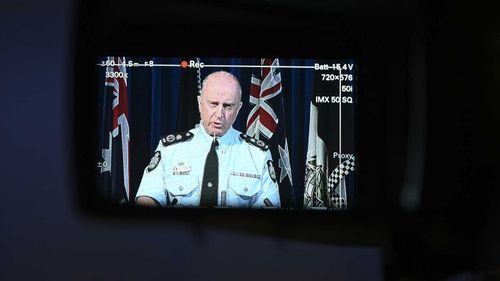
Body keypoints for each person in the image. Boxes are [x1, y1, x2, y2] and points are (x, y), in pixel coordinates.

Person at [135, 71, 280, 208]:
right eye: (213, 104)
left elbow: (269, 208)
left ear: (239, 108)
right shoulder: (170, 149)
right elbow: (147, 197)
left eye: (228, 106)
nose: (219, 114)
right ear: (199, 103)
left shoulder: (258, 154)